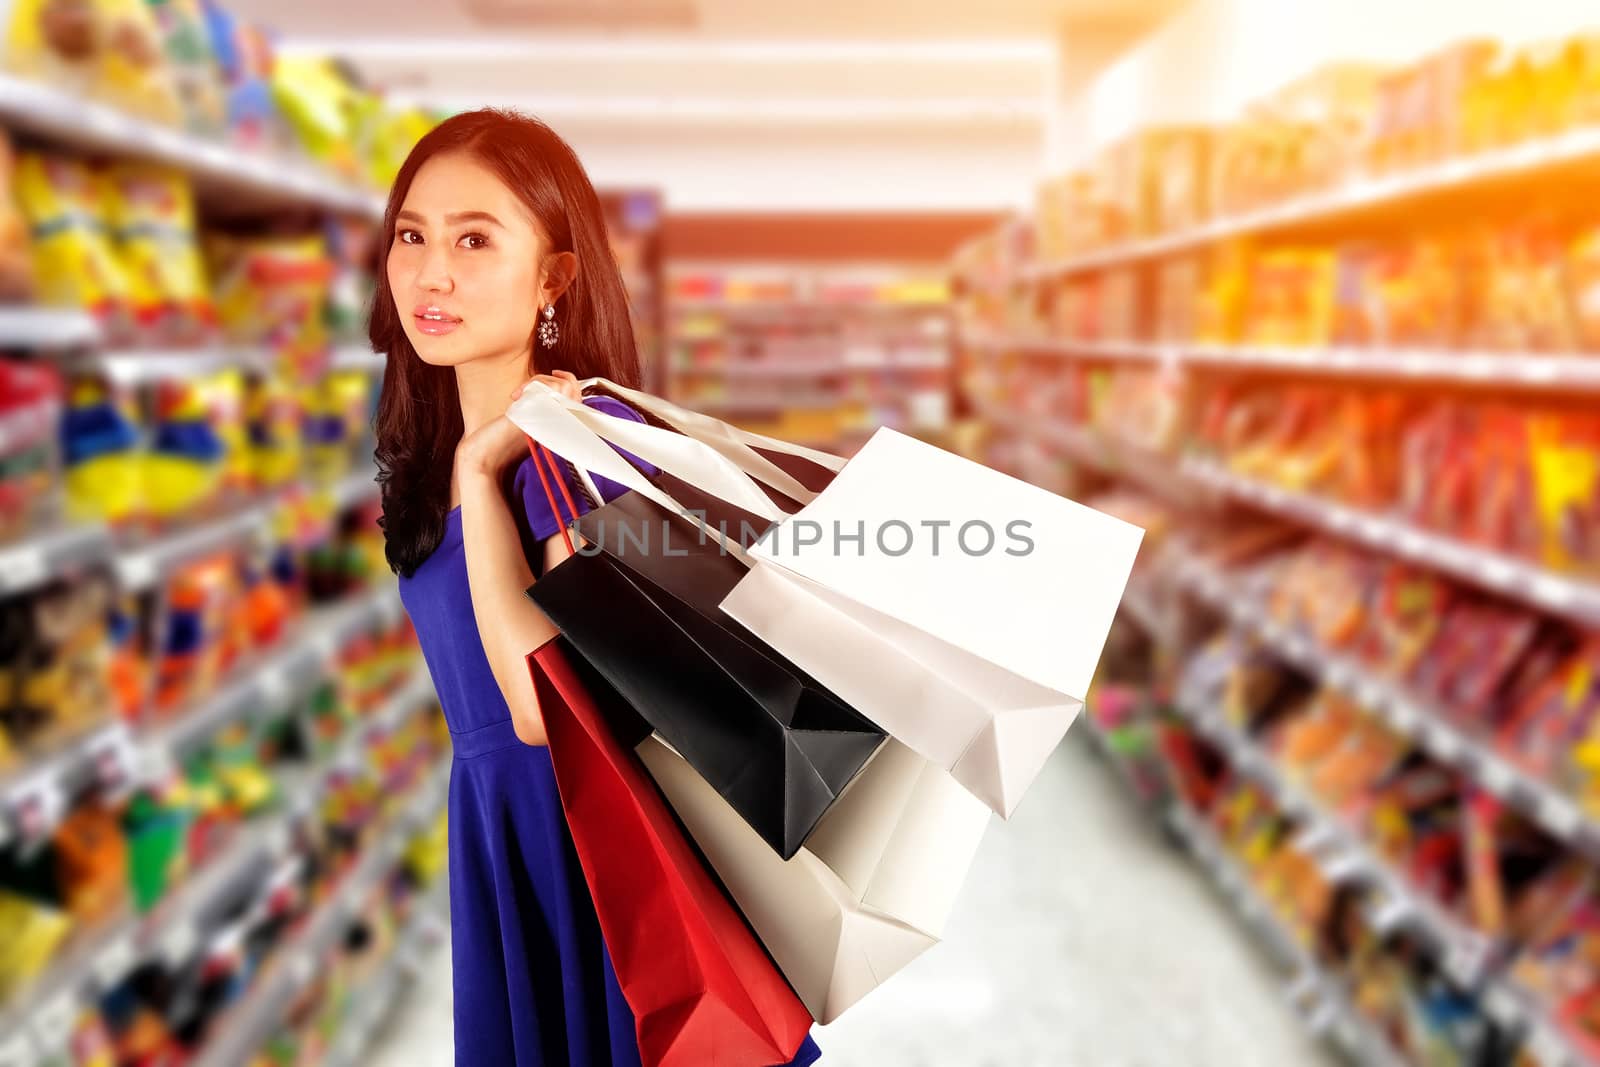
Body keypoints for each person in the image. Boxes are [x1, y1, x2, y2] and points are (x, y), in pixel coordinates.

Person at [372, 108, 823, 1067]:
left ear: (555, 277)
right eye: (411, 235)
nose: (431, 272)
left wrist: (480, 487)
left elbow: (550, 708)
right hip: (508, 838)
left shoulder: (591, 452)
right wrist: (466, 470)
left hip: (600, 855)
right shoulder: (428, 457)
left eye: (474, 240)